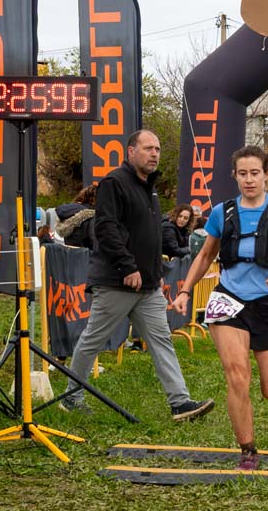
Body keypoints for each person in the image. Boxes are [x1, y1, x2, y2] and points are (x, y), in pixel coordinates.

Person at [172, 144, 268, 470]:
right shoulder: (222, 213)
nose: (249, 180)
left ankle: (265, 383)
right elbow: (205, 255)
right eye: (243, 174)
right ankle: (247, 450)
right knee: (237, 376)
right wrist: (185, 290)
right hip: (228, 301)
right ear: (235, 176)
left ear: (266, 175)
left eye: (255, 173)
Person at [60, 129, 214, 421]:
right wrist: (127, 266)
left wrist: (155, 274)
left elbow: (149, 235)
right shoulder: (114, 183)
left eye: (157, 149)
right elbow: (106, 228)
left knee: (162, 340)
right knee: (93, 340)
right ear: (130, 151)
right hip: (117, 282)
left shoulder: (149, 187)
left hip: (148, 286)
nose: (155, 153)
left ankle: (180, 403)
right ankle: (71, 398)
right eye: (148, 148)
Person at [55, 185, 97, 249]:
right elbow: (93, 240)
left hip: (69, 252)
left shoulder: (69, 213)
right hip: (85, 253)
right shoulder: (90, 215)